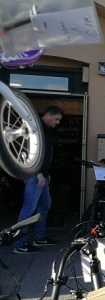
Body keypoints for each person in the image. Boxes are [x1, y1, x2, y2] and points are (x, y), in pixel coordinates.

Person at [13, 105, 63, 254]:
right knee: (29, 209)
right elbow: (27, 152)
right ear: (48, 115)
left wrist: (46, 173)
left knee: (45, 205)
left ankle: (39, 237)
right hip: (35, 176)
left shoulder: (46, 130)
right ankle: (19, 244)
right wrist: (38, 172)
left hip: (42, 176)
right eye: (56, 119)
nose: (57, 123)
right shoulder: (34, 129)